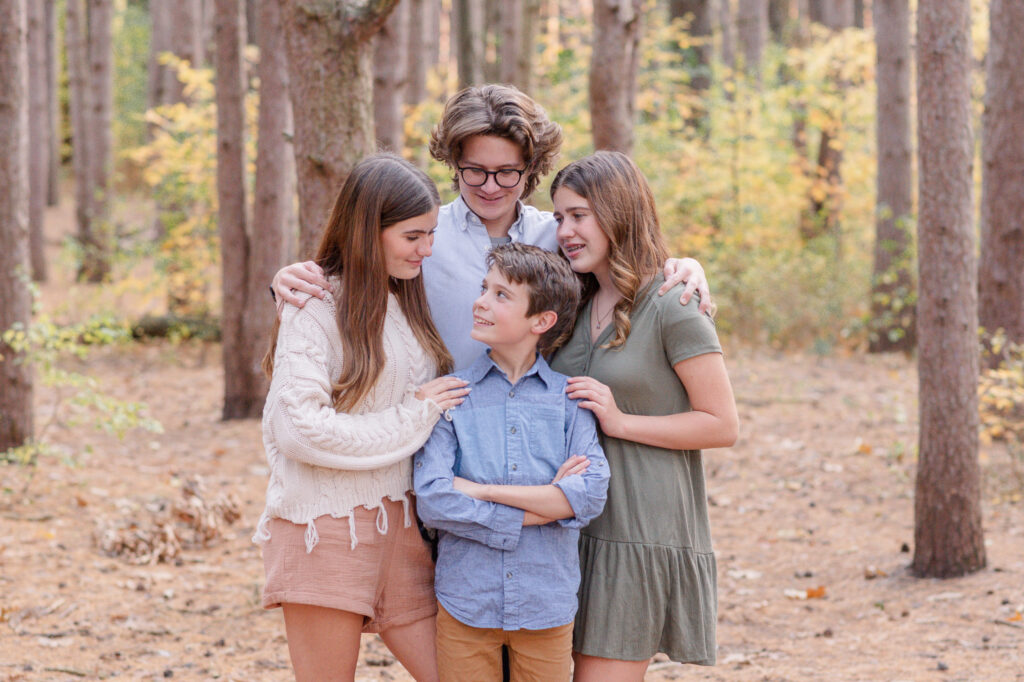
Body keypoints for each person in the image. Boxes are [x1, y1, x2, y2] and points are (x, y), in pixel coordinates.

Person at [271, 84, 712, 371]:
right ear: (452, 163)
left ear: (531, 169)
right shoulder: (423, 237)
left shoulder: (557, 238)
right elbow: (351, 279)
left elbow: (624, 266)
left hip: (536, 441)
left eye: (507, 172)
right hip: (435, 435)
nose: (490, 186)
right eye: (474, 170)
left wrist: (685, 265)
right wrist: (285, 279)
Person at [253, 153, 471, 682]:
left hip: (402, 526)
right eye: (413, 236)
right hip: (323, 527)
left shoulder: (404, 300)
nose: (427, 249)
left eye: (431, 234)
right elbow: (300, 429)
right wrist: (417, 415)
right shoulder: (316, 306)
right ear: (368, 230)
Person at [547, 151, 739, 681]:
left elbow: (722, 425)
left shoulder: (674, 302)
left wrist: (622, 421)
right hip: (565, 524)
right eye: (560, 217)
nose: (565, 230)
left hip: (638, 528)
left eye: (579, 215)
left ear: (618, 212)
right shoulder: (573, 303)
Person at [413, 243, 610, 682]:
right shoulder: (452, 396)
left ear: (541, 321)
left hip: (547, 605)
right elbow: (434, 499)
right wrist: (545, 509)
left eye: (501, 295)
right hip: (466, 603)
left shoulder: (569, 400)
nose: (480, 302)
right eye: (485, 289)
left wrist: (482, 491)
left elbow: (589, 493)